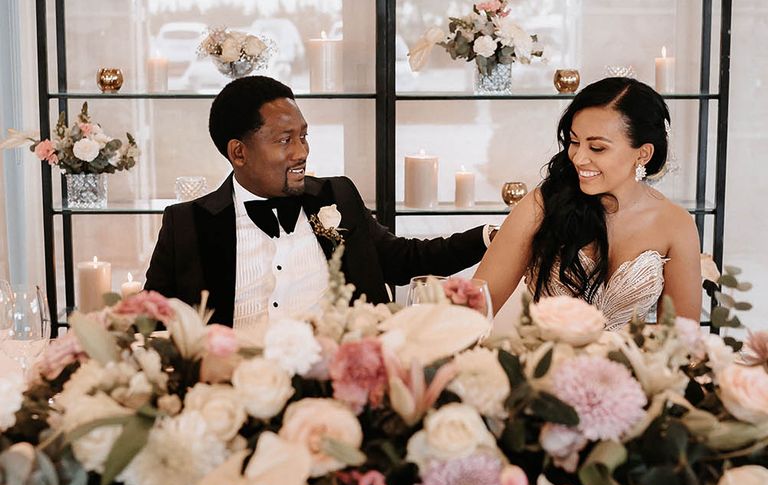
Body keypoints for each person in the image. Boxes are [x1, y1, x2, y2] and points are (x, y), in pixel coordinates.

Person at [145, 76, 491, 327]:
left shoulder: (337, 196)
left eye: (303, 136)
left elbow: (403, 259)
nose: (302, 152)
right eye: (285, 140)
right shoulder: (186, 224)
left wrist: (489, 237)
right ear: (239, 152)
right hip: (234, 396)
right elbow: (152, 323)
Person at [475, 77, 702, 329]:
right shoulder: (540, 207)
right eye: (574, 142)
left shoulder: (675, 224)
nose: (579, 158)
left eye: (597, 148)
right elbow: (474, 312)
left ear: (643, 153)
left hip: (630, 368)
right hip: (548, 365)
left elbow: (683, 341)